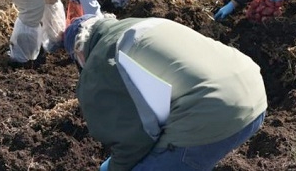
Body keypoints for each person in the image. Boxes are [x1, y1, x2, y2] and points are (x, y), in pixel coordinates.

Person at [63, 14, 268, 171]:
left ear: (79, 52)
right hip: (254, 93)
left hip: (216, 113)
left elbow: (132, 142)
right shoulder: (144, 23)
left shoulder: (98, 64)